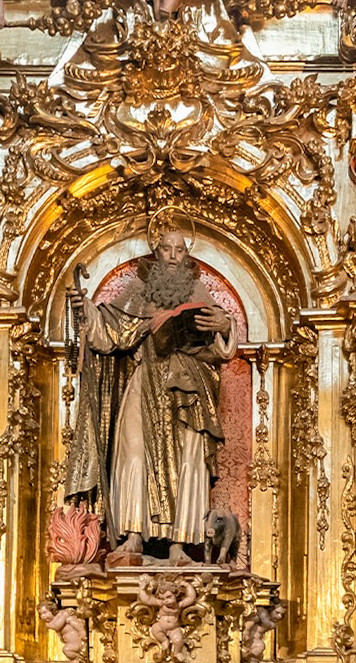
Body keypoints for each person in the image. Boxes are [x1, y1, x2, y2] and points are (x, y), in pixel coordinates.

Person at [64, 224, 238, 563]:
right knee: (134, 453)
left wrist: (225, 326)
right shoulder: (135, 291)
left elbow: (221, 350)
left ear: (187, 257)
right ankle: (133, 535)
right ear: (155, 254)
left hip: (186, 388)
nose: (173, 256)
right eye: (166, 249)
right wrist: (84, 309)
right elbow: (107, 334)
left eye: (179, 250)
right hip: (143, 381)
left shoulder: (199, 291)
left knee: (189, 460)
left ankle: (179, 543)